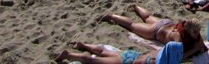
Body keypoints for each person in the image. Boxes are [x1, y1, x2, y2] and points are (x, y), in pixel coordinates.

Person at [100, 6, 206, 60]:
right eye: (195, 32)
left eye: (197, 32)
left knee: (148, 17)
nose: (197, 34)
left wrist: (198, 46)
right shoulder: (177, 36)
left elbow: (201, 45)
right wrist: (194, 49)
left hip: (166, 23)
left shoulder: (194, 33)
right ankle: (112, 16)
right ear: (189, 30)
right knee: (132, 25)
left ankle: (136, 6)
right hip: (156, 31)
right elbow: (178, 56)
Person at [55, 41, 183, 64]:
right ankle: (69, 55)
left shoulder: (159, 53)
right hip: (127, 61)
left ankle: (83, 45)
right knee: (95, 61)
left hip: (130, 54)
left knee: (103, 51)